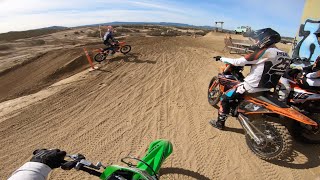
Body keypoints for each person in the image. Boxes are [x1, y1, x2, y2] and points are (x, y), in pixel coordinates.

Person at [209, 28, 290, 130]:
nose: (256, 41)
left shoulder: (266, 52)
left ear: (266, 39)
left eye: (258, 39)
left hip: (251, 86)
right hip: (267, 88)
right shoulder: (286, 55)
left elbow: (238, 62)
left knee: (224, 98)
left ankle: (219, 124)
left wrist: (221, 58)